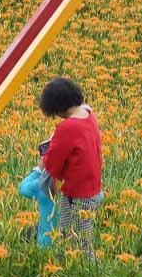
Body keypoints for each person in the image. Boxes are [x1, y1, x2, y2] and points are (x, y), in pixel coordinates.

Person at [38, 77, 104, 258]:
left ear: (57, 107)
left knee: (79, 242)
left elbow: (53, 164)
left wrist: (42, 160)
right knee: (72, 236)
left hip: (77, 194)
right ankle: (66, 269)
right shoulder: (89, 114)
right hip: (93, 188)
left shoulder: (68, 127)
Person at [17, 139, 58, 248]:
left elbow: (23, 188)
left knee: (30, 232)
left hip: (46, 247)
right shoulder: (80, 183)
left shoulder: (43, 185)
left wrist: (40, 167)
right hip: (71, 245)